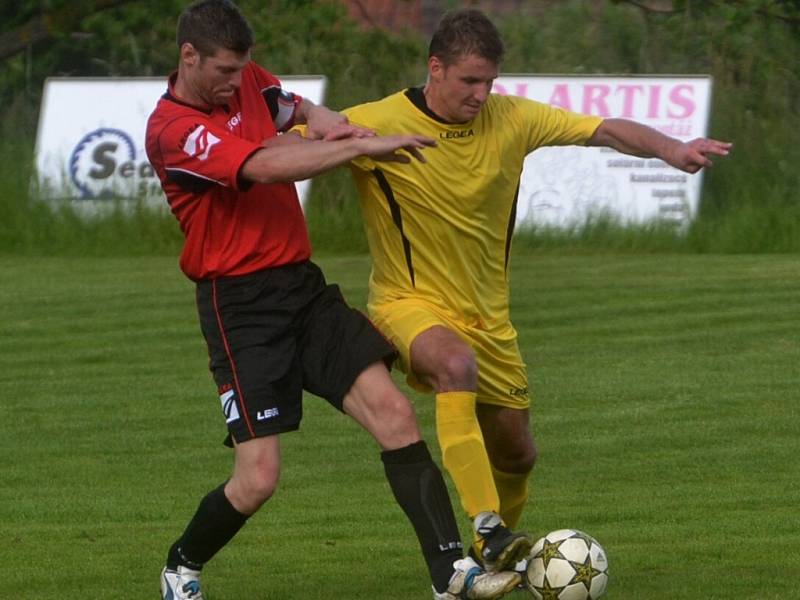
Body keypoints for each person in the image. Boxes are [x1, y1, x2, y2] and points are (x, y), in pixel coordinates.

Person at [144, 2, 522, 599]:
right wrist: (356, 149)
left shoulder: (248, 81)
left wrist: (334, 123)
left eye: (240, 69)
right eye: (221, 70)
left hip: (302, 287)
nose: (233, 82)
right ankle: (181, 565)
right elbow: (266, 164)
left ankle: (451, 574)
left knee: (394, 415)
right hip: (239, 306)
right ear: (188, 56)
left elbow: (295, 110)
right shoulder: (173, 132)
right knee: (259, 479)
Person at [341, 8, 732, 574]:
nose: (481, 94)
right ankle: (488, 527)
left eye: (490, 82)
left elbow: (605, 129)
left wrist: (672, 150)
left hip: (489, 318)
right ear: (435, 67)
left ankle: (495, 560)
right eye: (470, 81)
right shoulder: (378, 120)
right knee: (454, 364)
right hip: (407, 303)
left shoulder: (513, 118)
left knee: (518, 453)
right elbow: (291, 148)